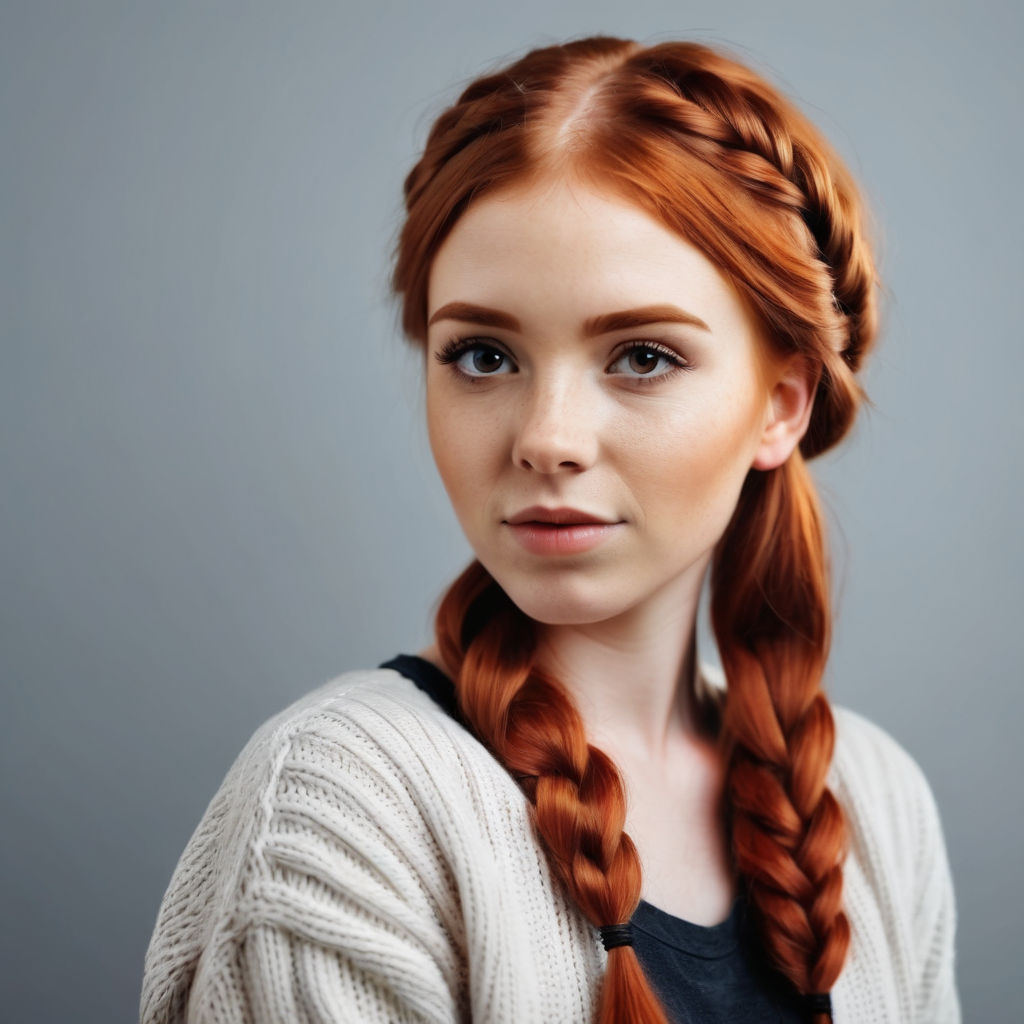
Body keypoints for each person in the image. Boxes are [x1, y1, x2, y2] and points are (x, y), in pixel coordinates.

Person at [140, 36, 960, 1024]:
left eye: (643, 356)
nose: (546, 438)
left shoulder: (876, 807)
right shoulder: (342, 807)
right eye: (483, 355)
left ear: (780, 403)